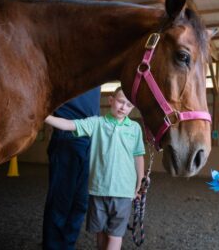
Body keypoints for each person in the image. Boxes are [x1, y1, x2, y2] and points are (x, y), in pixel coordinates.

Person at [45, 87, 145, 250]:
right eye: (120, 101)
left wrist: (140, 180)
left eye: (128, 105)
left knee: (115, 235)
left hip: (123, 192)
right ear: (110, 100)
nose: (123, 107)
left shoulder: (135, 129)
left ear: (132, 108)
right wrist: (46, 117)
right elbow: (70, 125)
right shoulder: (96, 123)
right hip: (99, 191)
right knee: (100, 232)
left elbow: (138, 155)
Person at [43, 87, 101, 250]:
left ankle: (67, 246)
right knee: (60, 203)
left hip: (91, 136)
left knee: (81, 203)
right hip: (68, 134)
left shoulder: (96, 73)